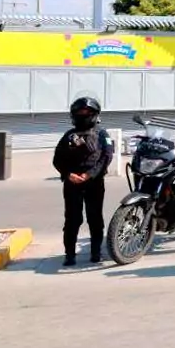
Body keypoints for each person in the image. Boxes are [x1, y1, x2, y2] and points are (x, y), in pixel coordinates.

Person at [52, 97, 114, 267]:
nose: (83, 115)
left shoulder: (102, 134)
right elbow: (57, 159)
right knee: (72, 219)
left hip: (94, 183)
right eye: (80, 112)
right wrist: (68, 174)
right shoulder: (68, 136)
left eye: (87, 112)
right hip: (72, 184)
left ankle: (96, 253)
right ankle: (69, 255)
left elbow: (106, 157)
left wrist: (90, 174)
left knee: (95, 219)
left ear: (95, 114)